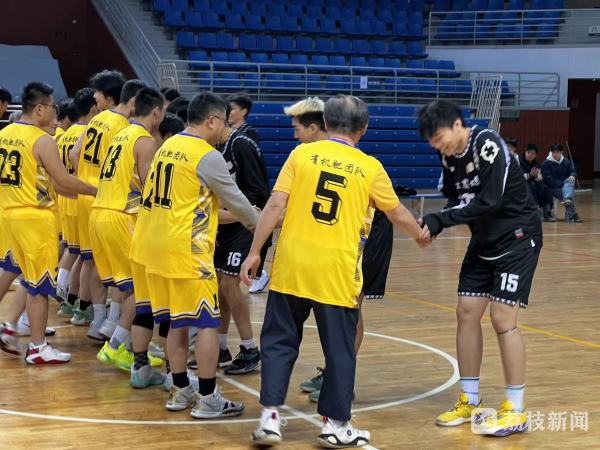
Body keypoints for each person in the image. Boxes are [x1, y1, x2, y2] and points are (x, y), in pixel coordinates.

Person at [241, 95, 427, 447]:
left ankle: (270, 418)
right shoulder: (369, 167)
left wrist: (254, 252)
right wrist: (419, 234)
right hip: (337, 272)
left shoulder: (301, 155)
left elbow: (275, 204)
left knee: (278, 342)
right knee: (340, 350)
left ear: (325, 124)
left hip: (292, 266)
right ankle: (336, 425)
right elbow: (396, 212)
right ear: (364, 128)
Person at [418, 100, 543, 437]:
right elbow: (456, 201)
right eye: (431, 142)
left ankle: (515, 409)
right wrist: (435, 223)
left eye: (439, 137)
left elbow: (490, 200)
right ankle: (469, 399)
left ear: (458, 125)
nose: (437, 145)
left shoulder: (487, 144)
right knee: (466, 312)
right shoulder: (449, 156)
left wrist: (441, 220)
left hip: (517, 239)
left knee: (502, 319)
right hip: (484, 241)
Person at [130, 92, 258, 418]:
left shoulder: (167, 146)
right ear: (212, 121)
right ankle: (209, 397)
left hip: (151, 246)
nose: (226, 130)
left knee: (176, 321)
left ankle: (180, 390)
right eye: (224, 124)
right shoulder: (206, 155)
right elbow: (238, 202)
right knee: (206, 324)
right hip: (185, 251)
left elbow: (193, 204)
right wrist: (264, 224)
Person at [284, 97, 396, 403]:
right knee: (334, 305)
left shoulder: (340, 152)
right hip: (337, 237)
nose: (295, 135)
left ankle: (341, 376)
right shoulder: (311, 155)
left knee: (350, 304)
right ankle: (334, 371)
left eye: (297, 128)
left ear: (317, 126)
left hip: (368, 233)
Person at [0, 82, 97, 364]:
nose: (56, 112)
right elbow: (63, 181)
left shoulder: (5, 133)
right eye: (53, 106)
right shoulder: (41, 140)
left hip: (8, 214)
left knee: (19, 275)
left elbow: (54, 185)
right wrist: (97, 191)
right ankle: (38, 347)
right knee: (39, 285)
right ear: (40, 108)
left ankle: (14, 329)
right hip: (34, 218)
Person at [91, 87, 166, 373]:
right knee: (139, 288)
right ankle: (115, 345)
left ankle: (127, 341)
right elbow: (149, 187)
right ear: (156, 112)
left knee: (124, 285)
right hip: (122, 215)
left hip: (100, 211)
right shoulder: (145, 141)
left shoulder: (122, 133)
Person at [71, 76, 145, 340]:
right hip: (109, 199)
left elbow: (74, 154)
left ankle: (99, 320)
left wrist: (86, 177)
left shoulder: (97, 119)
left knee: (93, 261)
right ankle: (113, 324)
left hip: (88, 195)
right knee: (123, 271)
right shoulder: (125, 127)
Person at [212, 114, 270, 374]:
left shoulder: (241, 144)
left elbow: (259, 192)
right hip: (227, 225)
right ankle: (220, 348)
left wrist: (239, 213)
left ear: (215, 121)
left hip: (247, 225)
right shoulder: (217, 147)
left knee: (228, 283)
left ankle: (249, 349)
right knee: (220, 287)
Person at [55, 88, 100, 315]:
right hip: (82, 193)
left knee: (73, 250)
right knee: (86, 256)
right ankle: (78, 301)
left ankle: (66, 296)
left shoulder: (66, 133)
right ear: (94, 108)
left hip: (66, 195)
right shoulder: (93, 131)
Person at [541, 143, 582, 222]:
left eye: (557, 152)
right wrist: (563, 184)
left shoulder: (566, 161)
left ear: (561, 152)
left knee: (571, 181)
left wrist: (573, 175)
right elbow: (548, 180)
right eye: (553, 152)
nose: (555, 154)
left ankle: (568, 201)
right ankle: (572, 214)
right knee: (567, 192)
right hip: (552, 187)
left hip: (564, 185)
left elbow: (573, 170)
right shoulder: (546, 163)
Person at [518, 143, 555, 222]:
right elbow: (518, 178)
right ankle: (535, 212)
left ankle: (547, 213)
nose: (530, 155)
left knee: (545, 188)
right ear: (525, 152)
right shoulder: (518, 161)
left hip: (533, 182)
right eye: (528, 152)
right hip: (521, 185)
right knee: (531, 187)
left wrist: (536, 175)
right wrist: (529, 175)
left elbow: (540, 178)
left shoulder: (536, 164)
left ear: (535, 155)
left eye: (533, 153)